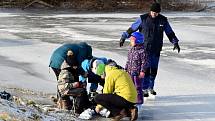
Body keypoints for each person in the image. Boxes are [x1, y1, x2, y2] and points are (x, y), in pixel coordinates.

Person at [119, 2, 180, 96]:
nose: (154, 14)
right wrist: (123, 37)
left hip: (156, 48)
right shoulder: (143, 19)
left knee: (154, 70)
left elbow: (169, 32)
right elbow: (132, 29)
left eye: (156, 13)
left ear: (159, 12)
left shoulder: (163, 20)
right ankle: (144, 88)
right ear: (150, 11)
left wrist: (175, 42)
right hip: (144, 49)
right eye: (152, 12)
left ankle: (151, 87)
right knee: (145, 69)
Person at [125, 32, 147, 107]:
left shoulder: (142, 51)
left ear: (138, 41)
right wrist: (126, 69)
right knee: (131, 86)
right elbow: (128, 61)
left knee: (138, 87)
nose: (130, 42)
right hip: (130, 72)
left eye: (132, 40)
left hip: (138, 73)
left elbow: (144, 62)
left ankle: (139, 102)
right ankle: (132, 100)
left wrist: (142, 71)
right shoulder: (131, 50)